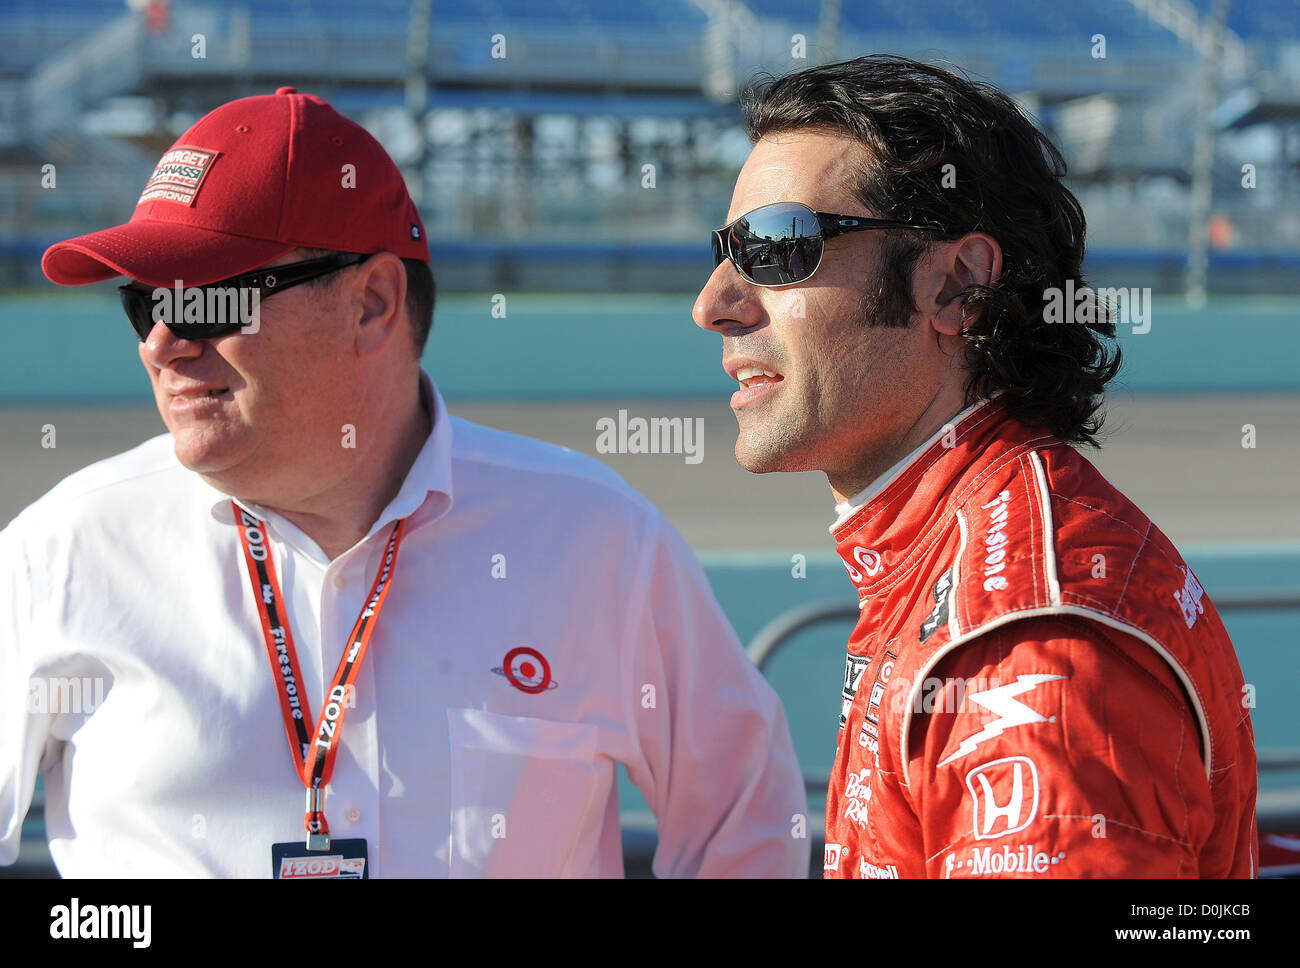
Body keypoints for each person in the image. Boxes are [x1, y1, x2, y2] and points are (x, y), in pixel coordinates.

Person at [0, 87, 808, 878]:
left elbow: (750, 824)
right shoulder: (61, 551)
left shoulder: (596, 540)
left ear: (373, 303)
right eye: (146, 303)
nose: (164, 344)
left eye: (214, 299)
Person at [693, 55, 1257, 878]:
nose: (714, 303)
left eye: (777, 247)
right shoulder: (954, 558)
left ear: (956, 286)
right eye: (725, 251)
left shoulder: (1025, 641)